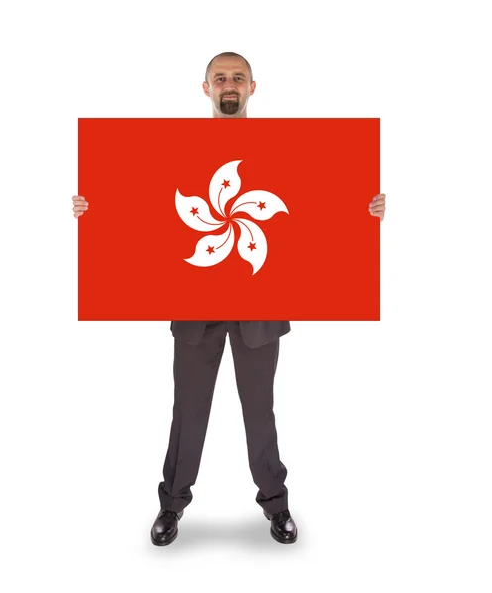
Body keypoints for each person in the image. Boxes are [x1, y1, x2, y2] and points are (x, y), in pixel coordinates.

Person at [72, 51, 386, 547]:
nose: (229, 84)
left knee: (259, 412)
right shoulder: (176, 148)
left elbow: (311, 210)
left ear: (253, 87)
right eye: (220, 78)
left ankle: (276, 505)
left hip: (259, 310)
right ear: (206, 89)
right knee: (189, 412)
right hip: (195, 309)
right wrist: (96, 207)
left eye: (237, 77)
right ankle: (171, 506)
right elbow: (146, 210)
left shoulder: (284, 148)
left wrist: (362, 209)